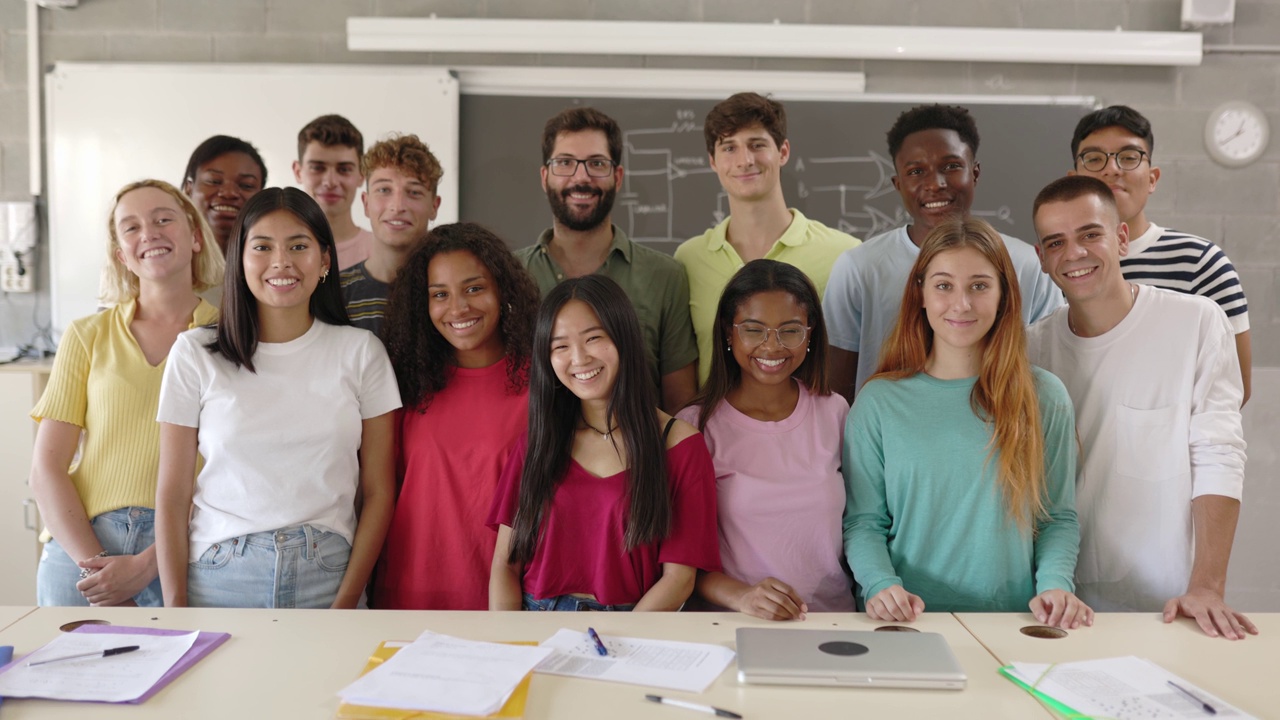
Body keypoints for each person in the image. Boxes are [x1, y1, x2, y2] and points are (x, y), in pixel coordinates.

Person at [1027, 175, 1254, 639]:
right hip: (1056, 603)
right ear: (1042, 259)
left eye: (1091, 234)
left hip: (1168, 605)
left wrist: (1207, 587)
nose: (1074, 253)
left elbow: (1219, 455)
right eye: (1056, 242)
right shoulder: (1031, 348)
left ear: (1122, 238)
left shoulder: (1195, 322)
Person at [155, 187, 400, 609]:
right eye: (262, 246)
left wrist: (348, 599)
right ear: (241, 260)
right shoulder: (194, 352)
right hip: (220, 574)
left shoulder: (361, 352)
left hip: (328, 571)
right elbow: (172, 494)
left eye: (299, 246)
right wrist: (175, 605)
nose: (281, 262)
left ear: (324, 260)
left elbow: (379, 491)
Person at [844, 218, 1088, 628]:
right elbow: (864, 522)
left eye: (979, 285)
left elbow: (1056, 517)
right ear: (919, 293)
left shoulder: (1044, 396)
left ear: (1003, 295)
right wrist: (879, 584)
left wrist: (1055, 584)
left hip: (1013, 623)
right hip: (905, 623)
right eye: (943, 285)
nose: (961, 304)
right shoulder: (878, 402)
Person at [30, 179, 223, 607]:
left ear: (194, 236)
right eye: (130, 227)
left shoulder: (227, 338)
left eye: (162, 219)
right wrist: (96, 567)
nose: (149, 233)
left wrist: (147, 565)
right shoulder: (86, 335)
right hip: (82, 545)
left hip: (185, 551)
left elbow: (235, 474)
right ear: (121, 254)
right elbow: (46, 468)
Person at [488, 275, 720, 611]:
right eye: (560, 346)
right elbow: (505, 566)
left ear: (624, 337)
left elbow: (678, 580)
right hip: (535, 617)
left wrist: (623, 647)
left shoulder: (679, 445)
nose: (579, 358)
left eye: (593, 338)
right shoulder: (539, 441)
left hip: (633, 622)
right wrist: (509, 645)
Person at [823, 104, 1062, 401]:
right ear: (898, 184)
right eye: (916, 171)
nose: (935, 184)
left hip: (1002, 433)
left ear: (974, 173)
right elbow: (836, 389)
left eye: (951, 166)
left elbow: (1051, 370)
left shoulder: (1027, 265)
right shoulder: (859, 267)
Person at [374, 223, 540, 610]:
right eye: (439, 295)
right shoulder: (402, 382)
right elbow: (379, 493)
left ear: (503, 289)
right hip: (407, 597)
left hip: (510, 602)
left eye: (474, 288)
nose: (458, 308)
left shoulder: (543, 382)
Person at [677, 259, 853, 620]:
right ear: (729, 332)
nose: (772, 347)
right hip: (731, 623)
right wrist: (743, 597)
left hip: (830, 620)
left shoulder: (835, 413)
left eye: (789, 330)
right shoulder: (695, 427)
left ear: (810, 333)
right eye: (754, 330)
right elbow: (679, 561)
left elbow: (862, 525)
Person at [517, 107, 698, 413]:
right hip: (533, 457)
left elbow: (680, 406)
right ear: (545, 176)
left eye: (596, 163)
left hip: (636, 458)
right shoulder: (509, 275)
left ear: (617, 176)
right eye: (565, 163)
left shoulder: (665, 276)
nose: (581, 177)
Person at [1068, 105, 1252, 403]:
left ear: (1152, 178)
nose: (1112, 169)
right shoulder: (1060, 265)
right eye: (1094, 158)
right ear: (1073, 179)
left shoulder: (1202, 263)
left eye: (1128, 157)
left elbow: (1234, 388)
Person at [675, 92, 859, 385]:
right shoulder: (688, 259)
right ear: (713, 161)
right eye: (729, 148)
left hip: (813, 428)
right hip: (712, 428)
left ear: (783, 152)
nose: (745, 160)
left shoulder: (844, 254)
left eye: (757, 145)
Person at [340, 134, 443, 334]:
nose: (397, 206)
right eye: (384, 190)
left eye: (414, 192)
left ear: (434, 205)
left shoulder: (448, 293)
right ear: (366, 203)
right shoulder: (335, 294)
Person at [293, 114, 373, 271]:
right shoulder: (277, 252)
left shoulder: (383, 253)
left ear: (362, 174)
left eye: (344, 169)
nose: (330, 182)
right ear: (298, 171)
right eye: (317, 168)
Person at [181, 135, 267, 254]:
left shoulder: (274, 265)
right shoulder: (165, 262)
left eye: (246, 185)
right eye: (214, 181)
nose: (229, 193)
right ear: (188, 190)